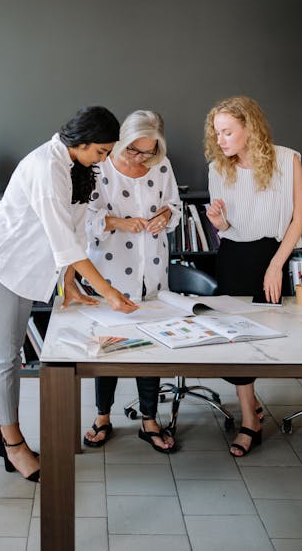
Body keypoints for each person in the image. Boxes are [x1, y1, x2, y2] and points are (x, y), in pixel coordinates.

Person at [0, 106, 138, 482]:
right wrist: (108, 291)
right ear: (82, 140)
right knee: (3, 358)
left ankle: (7, 435)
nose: (105, 159)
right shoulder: (46, 167)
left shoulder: (75, 165)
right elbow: (64, 241)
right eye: (102, 152)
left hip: (25, 270)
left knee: (10, 355)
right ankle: (12, 445)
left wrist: (71, 286)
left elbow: (75, 232)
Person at [204, 95, 302, 457]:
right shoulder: (219, 168)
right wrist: (219, 224)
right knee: (236, 341)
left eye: (227, 132)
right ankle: (250, 417)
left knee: (265, 338)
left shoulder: (287, 159)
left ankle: (253, 408)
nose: (220, 140)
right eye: (217, 133)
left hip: (271, 255)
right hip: (233, 255)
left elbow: (298, 217)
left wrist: (277, 264)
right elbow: (228, 226)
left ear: (249, 127)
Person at [82, 110, 181, 454]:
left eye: (148, 152)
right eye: (133, 150)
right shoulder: (99, 167)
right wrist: (120, 223)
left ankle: (149, 419)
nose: (140, 158)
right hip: (109, 271)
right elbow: (85, 221)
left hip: (152, 268)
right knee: (109, 345)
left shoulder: (162, 166)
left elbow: (175, 207)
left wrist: (164, 217)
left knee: (149, 345)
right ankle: (102, 416)